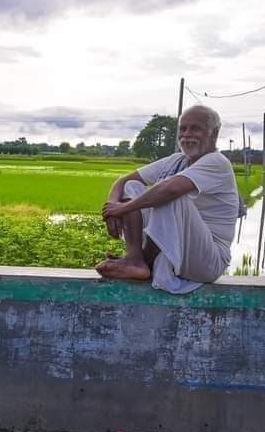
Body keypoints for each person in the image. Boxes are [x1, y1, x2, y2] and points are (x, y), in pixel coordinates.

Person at [97, 104, 239, 293]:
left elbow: (171, 190)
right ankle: (135, 259)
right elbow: (124, 181)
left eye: (195, 128)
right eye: (183, 128)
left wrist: (122, 209)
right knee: (132, 187)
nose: (187, 134)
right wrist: (112, 206)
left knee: (170, 196)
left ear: (213, 133)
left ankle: (142, 261)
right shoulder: (177, 160)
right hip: (178, 251)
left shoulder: (217, 162)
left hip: (208, 260)